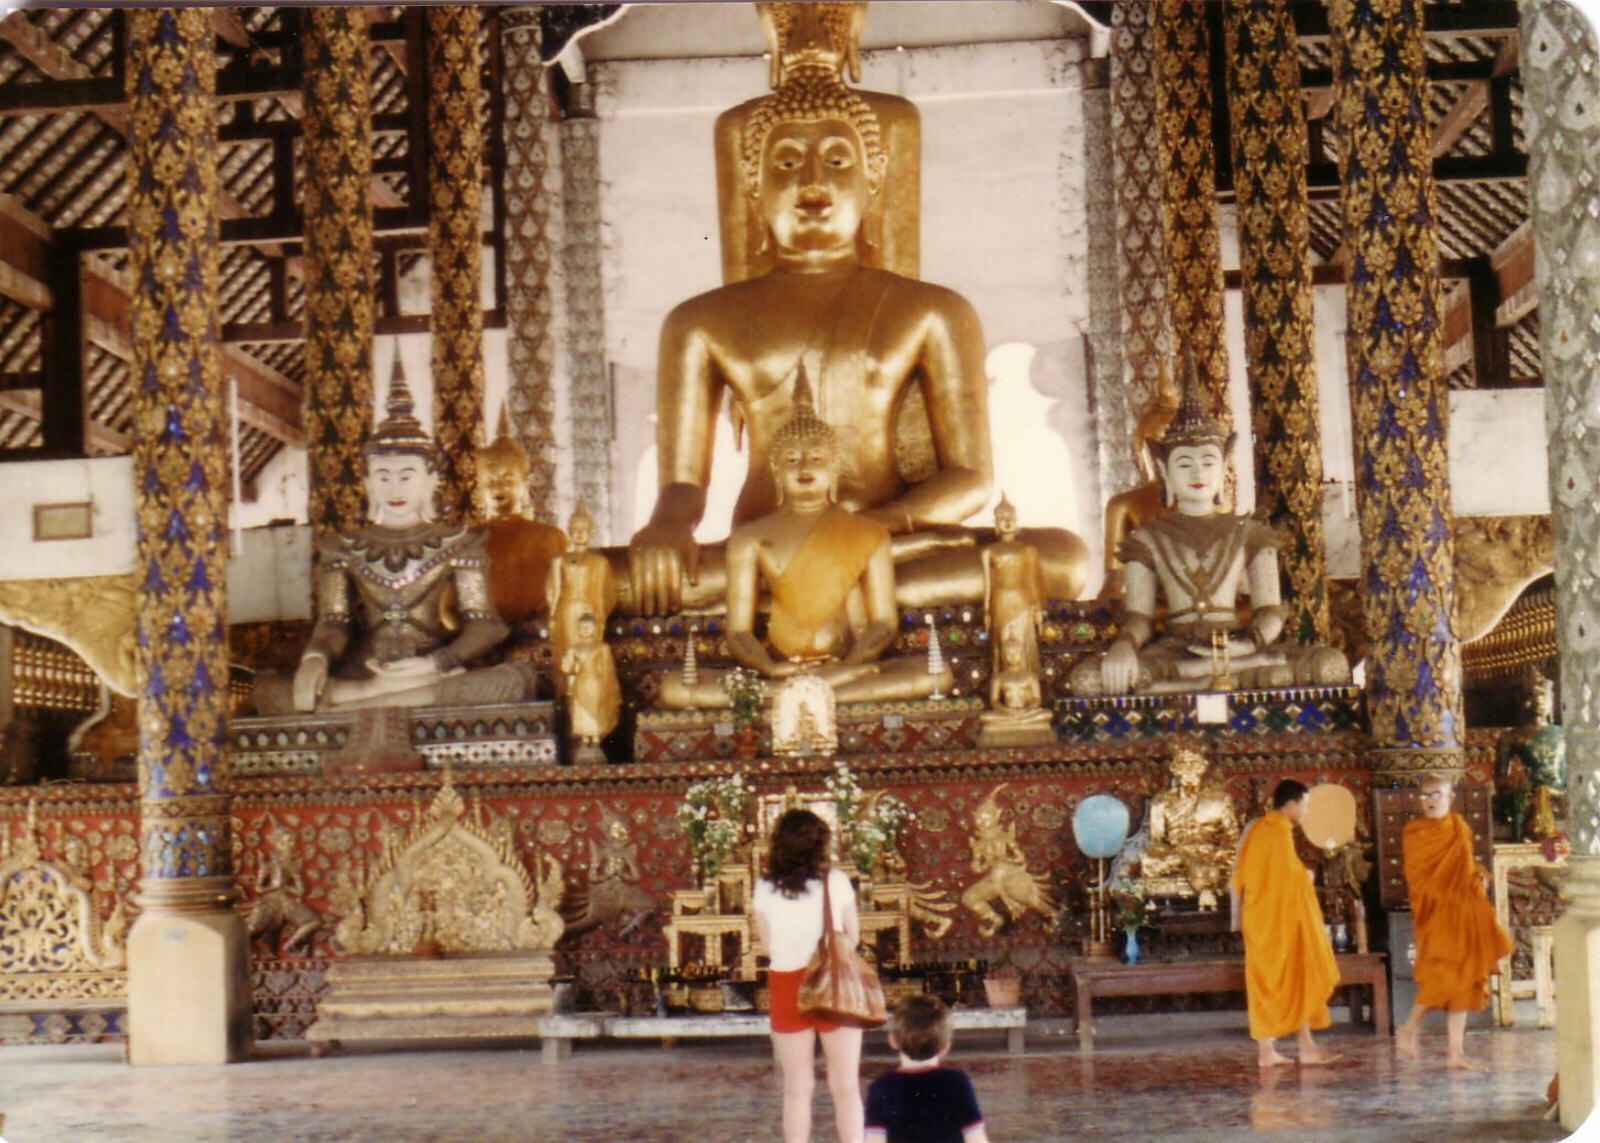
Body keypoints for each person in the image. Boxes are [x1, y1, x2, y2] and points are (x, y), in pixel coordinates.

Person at [753, 809, 864, 1143]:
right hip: (833, 983)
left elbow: (768, 944)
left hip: (787, 984)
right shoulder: (837, 882)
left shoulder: (764, 887)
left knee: (797, 1089)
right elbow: (853, 938)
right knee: (845, 1088)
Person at [1395, 774, 1512, 1071]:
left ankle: (1455, 1052)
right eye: (1424, 796)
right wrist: (1448, 892)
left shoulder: (1460, 827)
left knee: (1464, 981)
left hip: (1464, 912)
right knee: (1443, 977)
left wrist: (1477, 877)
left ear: (1450, 797)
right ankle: (1409, 1027)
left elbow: (1464, 865)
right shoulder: (1414, 832)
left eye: (1436, 795)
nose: (1430, 801)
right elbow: (1418, 877)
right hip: (1438, 913)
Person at [1230, 778, 1340, 1068]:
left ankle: (1303, 1047)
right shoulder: (1276, 831)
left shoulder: (1264, 829)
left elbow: (1273, 875)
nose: (1305, 812)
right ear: (1290, 804)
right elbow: (1283, 880)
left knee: (1293, 979)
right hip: (1274, 923)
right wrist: (1306, 878)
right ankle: (1269, 1052)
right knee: (1273, 981)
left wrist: (1300, 877)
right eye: (1304, 806)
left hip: (1267, 921)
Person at [865, 994, 990, 1143]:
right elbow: (976, 1138)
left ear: (892, 1040)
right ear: (945, 1047)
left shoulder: (881, 1087)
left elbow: (874, 1140)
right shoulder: (957, 1083)